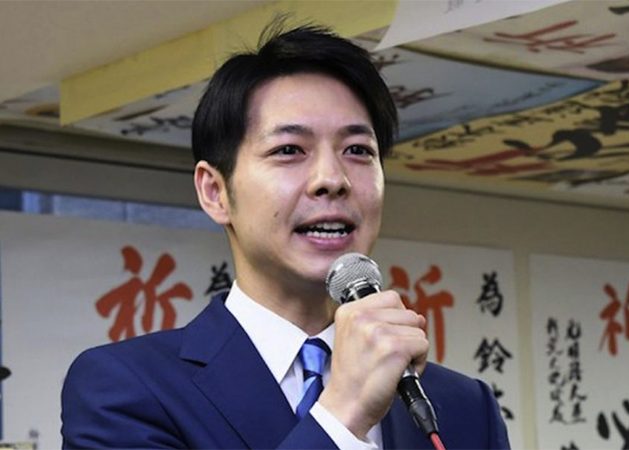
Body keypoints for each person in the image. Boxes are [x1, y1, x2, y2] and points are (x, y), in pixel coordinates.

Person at [61, 22, 510, 449]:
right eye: (289, 150)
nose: (331, 179)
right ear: (215, 192)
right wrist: (344, 413)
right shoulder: (126, 387)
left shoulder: (464, 407)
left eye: (357, 150)